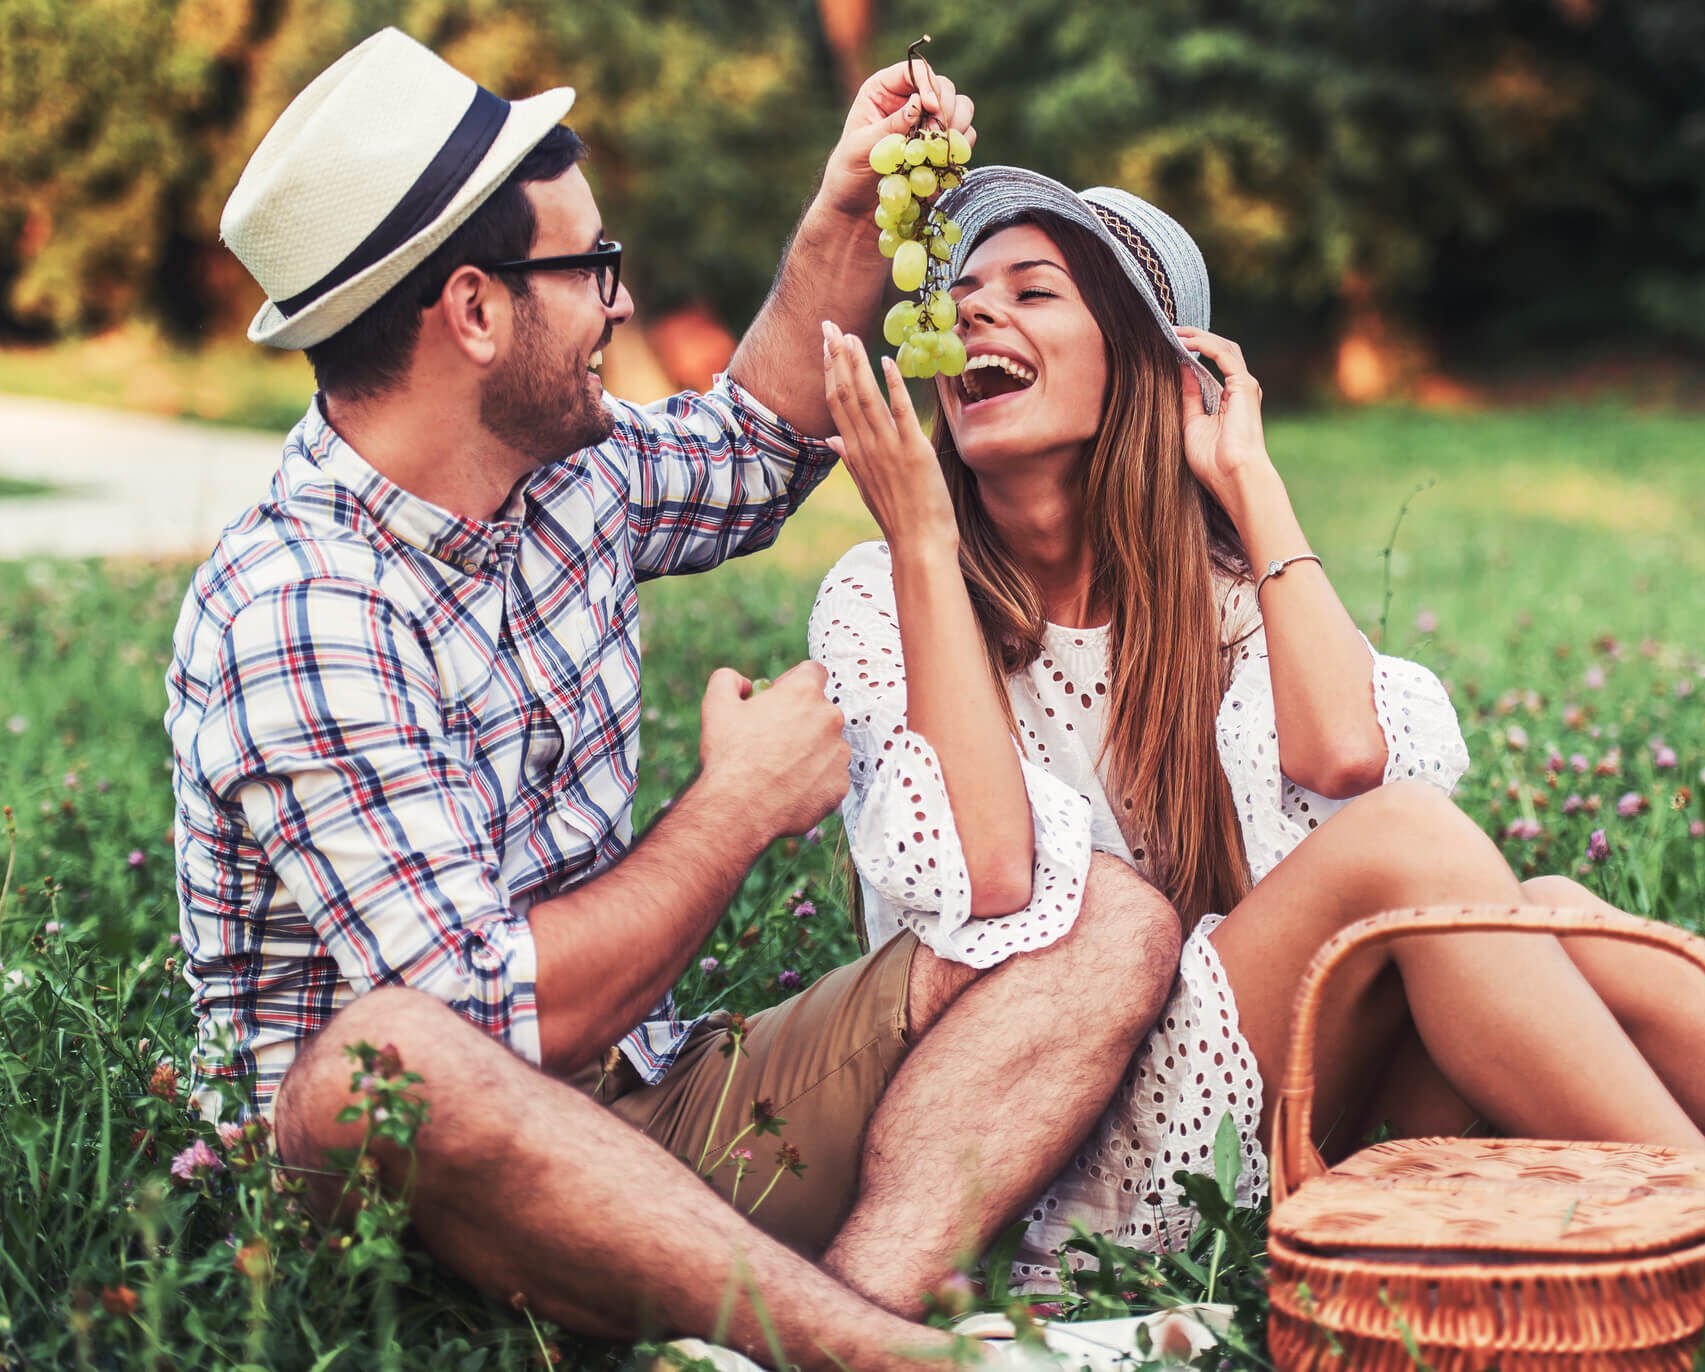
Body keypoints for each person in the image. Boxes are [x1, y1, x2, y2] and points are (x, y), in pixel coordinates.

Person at [165, 35, 1187, 1367]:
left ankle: (829, 1307)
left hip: (655, 1105)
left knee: (1103, 920)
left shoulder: (559, 471)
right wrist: (741, 805)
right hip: (417, 1186)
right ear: (472, 312)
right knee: (394, 1056)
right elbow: (488, 1024)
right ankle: (885, 1358)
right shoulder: (299, 608)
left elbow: (761, 441)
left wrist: (844, 202)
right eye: (588, 269)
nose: (619, 302)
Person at [808, 165, 1705, 1286]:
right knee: (1416, 849)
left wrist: (1246, 475)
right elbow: (991, 875)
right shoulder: (883, 591)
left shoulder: (1216, 600)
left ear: (1151, 371)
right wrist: (920, 540)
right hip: (1058, 1153)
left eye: (1033, 291)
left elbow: (1347, 754)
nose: (970, 311)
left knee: (1554, 911)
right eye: (964, 292)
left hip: (1274, 1091)